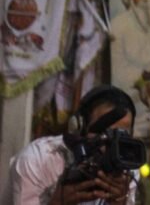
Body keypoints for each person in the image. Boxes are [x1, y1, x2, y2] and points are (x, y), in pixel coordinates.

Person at [10, 85, 138, 204]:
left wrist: (119, 201)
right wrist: (57, 202)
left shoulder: (126, 167)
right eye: (105, 134)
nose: (113, 144)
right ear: (78, 127)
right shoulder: (38, 160)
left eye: (122, 135)